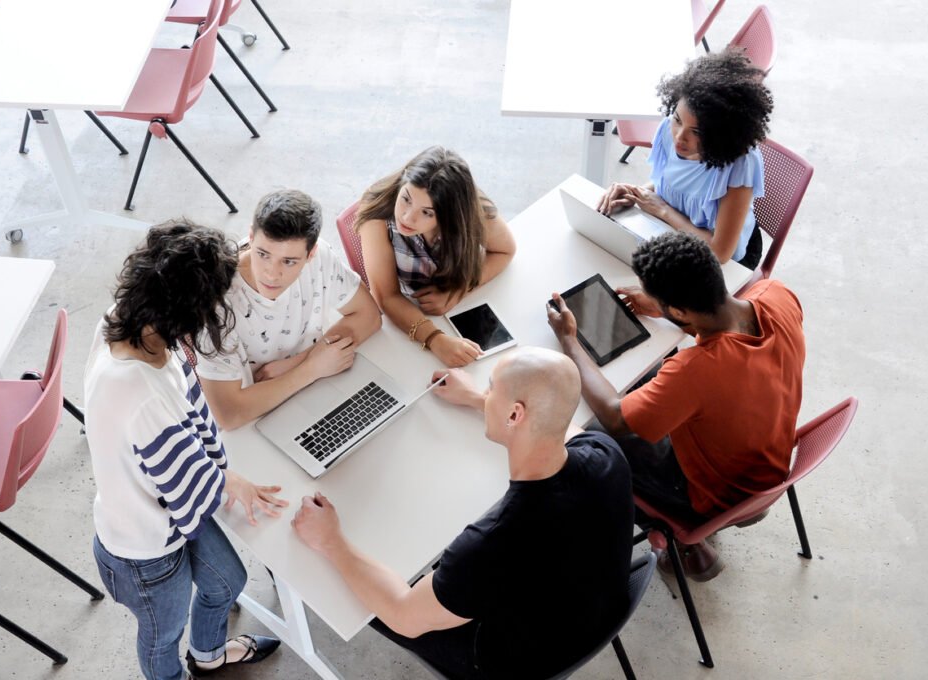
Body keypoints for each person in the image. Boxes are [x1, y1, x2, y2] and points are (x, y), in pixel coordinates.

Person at [292, 348, 634, 679]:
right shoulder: (605, 451)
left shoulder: (492, 542)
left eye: (491, 388)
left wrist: (332, 541)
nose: (486, 393)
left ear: (515, 414)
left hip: (516, 661)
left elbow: (403, 613)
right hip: (594, 610)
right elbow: (555, 426)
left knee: (351, 593)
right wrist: (475, 398)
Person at [84, 221, 289, 680]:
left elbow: (185, 465)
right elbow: (190, 486)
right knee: (162, 636)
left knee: (228, 581)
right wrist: (231, 480)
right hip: (143, 552)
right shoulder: (139, 393)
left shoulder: (129, 315)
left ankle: (209, 656)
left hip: (167, 514)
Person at [547, 232, 806, 580]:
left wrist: (569, 340)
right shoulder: (778, 295)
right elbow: (724, 336)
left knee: (582, 434)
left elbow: (613, 414)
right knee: (649, 383)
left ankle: (682, 540)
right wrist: (670, 313)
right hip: (766, 458)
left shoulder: (696, 369)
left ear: (681, 309)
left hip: (712, 495)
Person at [196, 189, 382, 431]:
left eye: (289, 261)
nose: (272, 273)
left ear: (311, 253)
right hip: (256, 421)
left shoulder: (321, 257)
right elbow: (229, 415)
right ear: (251, 238)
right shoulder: (216, 302)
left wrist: (297, 363)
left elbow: (368, 316)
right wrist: (310, 369)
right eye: (263, 254)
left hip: (315, 389)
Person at [598, 48, 774, 267]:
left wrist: (663, 211)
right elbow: (672, 181)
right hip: (673, 231)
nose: (680, 137)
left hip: (723, 260)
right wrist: (637, 193)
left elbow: (720, 253)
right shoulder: (668, 129)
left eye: (697, 131)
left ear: (722, 134)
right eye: (678, 120)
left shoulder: (740, 163)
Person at [355, 146, 516, 367]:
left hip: (460, 307)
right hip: (409, 310)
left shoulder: (469, 209)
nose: (407, 217)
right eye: (406, 199)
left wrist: (458, 290)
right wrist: (435, 339)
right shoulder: (377, 214)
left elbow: (505, 250)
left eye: (427, 212)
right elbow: (386, 296)